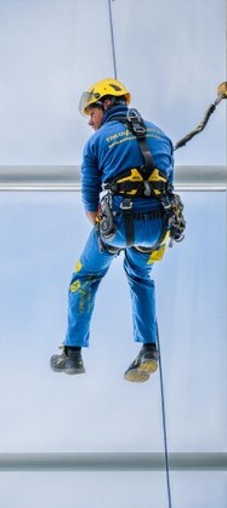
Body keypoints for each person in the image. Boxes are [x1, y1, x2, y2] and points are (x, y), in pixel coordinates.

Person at [50, 78, 183, 383]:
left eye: (91, 111)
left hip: (120, 225)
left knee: (86, 276)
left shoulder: (98, 141)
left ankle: (72, 352)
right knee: (141, 276)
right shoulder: (160, 134)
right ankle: (149, 348)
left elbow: (90, 195)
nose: (89, 120)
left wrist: (101, 225)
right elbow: (170, 184)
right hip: (159, 226)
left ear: (107, 103)